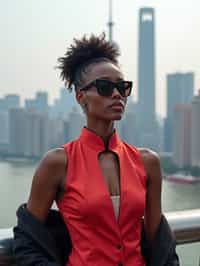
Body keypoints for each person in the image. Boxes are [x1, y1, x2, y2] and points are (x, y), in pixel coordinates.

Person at [13, 33, 179, 266]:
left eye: (122, 87)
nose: (116, 94)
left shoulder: (147, 162)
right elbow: (28, 238)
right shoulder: (58, 163)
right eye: (104, 87)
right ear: (81, 97)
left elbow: (158, 241)